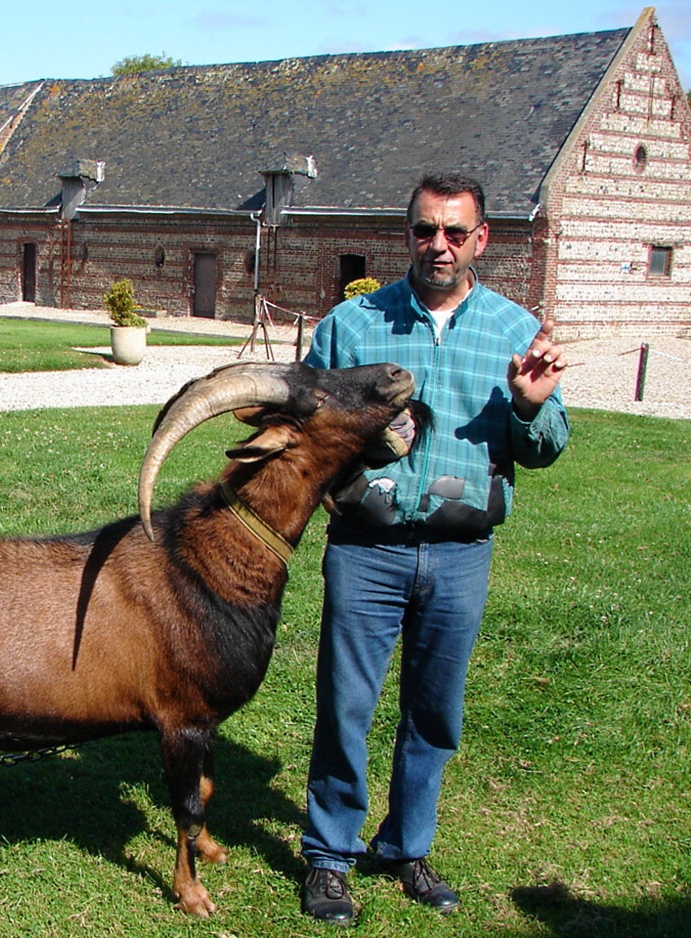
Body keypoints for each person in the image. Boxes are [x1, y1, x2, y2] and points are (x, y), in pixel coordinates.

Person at [300, 172, 569, 925]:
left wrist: (528, 407)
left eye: (455, 232)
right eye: (425, 230)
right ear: (407, 234)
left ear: (481, 239)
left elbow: (543, 450)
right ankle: (329, 855)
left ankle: (406, 847)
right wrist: (355, 453)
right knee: (346, 707)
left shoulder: (515, 331)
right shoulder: (352, 326)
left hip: (460, 553)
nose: (439, 245)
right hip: (367, 549)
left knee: (434, 713)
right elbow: (307, 432)